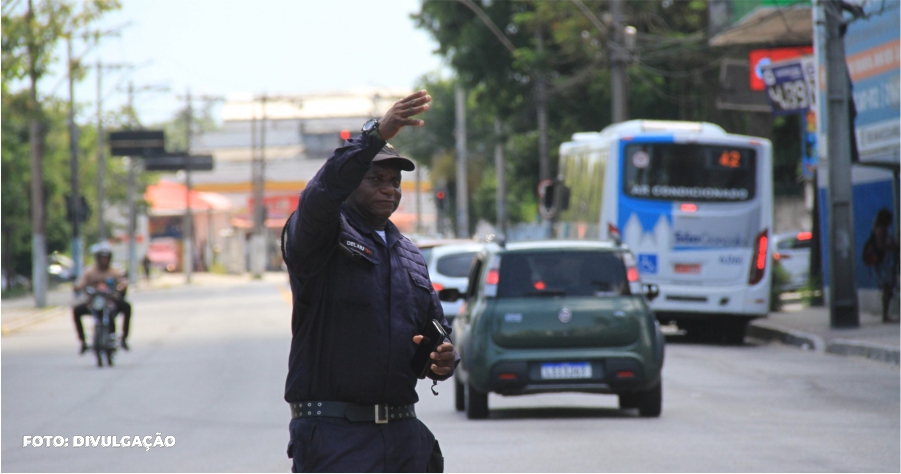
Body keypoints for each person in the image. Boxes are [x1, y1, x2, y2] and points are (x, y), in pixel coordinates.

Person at [281, 90, 458, 473]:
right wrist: (373, 135)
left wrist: (442, 357)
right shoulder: (321, 235)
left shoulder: (408, 252)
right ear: (350, 184)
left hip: (403, 437)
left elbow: (434, 331)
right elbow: (321, 194)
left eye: (395, 182)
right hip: (335, 437)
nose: (389, 188)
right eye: (375, 178)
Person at [72, 242, 132, 352]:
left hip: (110, 300)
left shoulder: (114, 271)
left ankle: (123, 338)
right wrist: (77, 287)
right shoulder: (90, 272)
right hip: (94, 302)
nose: (104, 260)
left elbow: (123, 281)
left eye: (106, 258)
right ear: (97, 258)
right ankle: (83, 341)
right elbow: (81, 283)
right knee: (76, 310)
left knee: (127, 307)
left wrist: (122, 286)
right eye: (102, 258)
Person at [863, 208, 899, 322]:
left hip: (885, 263)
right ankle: (885, 315)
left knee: (888, 288)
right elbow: (881, 247)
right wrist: (895, 246)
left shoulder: (878, 229)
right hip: (884, 264)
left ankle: (886, 314)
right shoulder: (881, 231)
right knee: (887, 288)